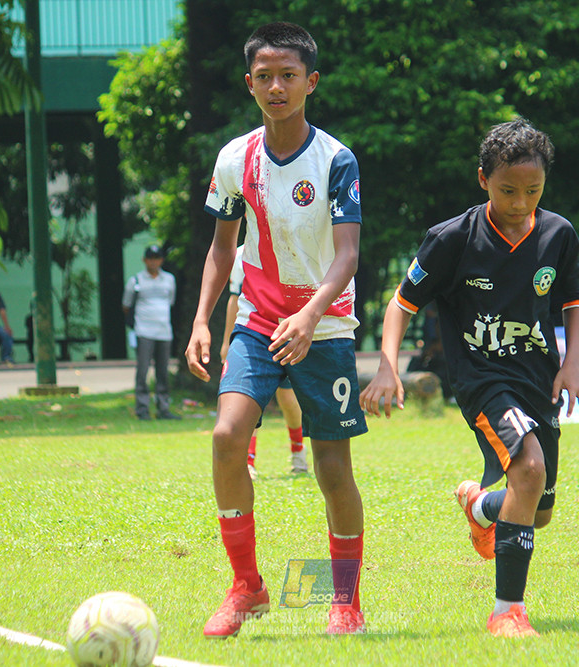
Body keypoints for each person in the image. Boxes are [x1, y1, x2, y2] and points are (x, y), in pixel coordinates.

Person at [360, 118, 579, 638]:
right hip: (482, 380)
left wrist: (571, 363)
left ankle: (480, 504)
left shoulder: (558, 234)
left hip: (538, 382)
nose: (520, 202)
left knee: (536, 510)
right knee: (529, 468)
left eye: (532, 191)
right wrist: (387, 366)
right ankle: (507, 612)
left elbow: (575, 298)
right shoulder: (452, 239)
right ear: (483, 179)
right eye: (508, 190)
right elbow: (402, 304)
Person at [185, 22, 367, 638]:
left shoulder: (336, 160)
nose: (276, 86)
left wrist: (311, 314)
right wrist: (202, 322)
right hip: (259, 322)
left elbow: (347, 257)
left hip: (326, 326)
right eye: (264, 76)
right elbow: (220, 248)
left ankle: (345, 602)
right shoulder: (235, 159)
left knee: (332, 470)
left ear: (310, 82)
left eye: (288, 75)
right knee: (227, 434)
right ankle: (247, 587)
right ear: (250, 84)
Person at [221, 244, 308, 478]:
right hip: (254, 335)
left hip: (288, 333)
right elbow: (234, 299)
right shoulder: (240, 254)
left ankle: (298, 453)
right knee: (248, 398)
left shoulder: (294, 245)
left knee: (288, 400)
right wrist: (227, 341)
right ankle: (248, 461)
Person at [123, 244, 180, 421]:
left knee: (163, 372)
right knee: (143, 371)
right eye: (150, 258)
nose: (153, 262)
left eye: (157, 258)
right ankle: (142, 409)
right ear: (144, 260)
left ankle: (163, 409)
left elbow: (171, 302)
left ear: (161, 260)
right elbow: (126, 306)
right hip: (144, 331)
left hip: (164, 331)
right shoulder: (136, 281)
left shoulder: (169, 280)